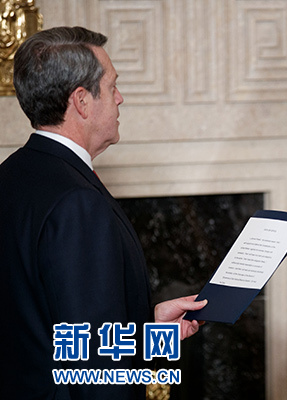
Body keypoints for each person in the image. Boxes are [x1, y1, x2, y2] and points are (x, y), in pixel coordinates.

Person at [0, 26, 207, 399]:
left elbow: (52, 331)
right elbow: (96, 373)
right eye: (112, 86)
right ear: (82, 101)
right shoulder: (78, 202)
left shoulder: (12, 175)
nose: (120, 98)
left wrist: (153, 333)